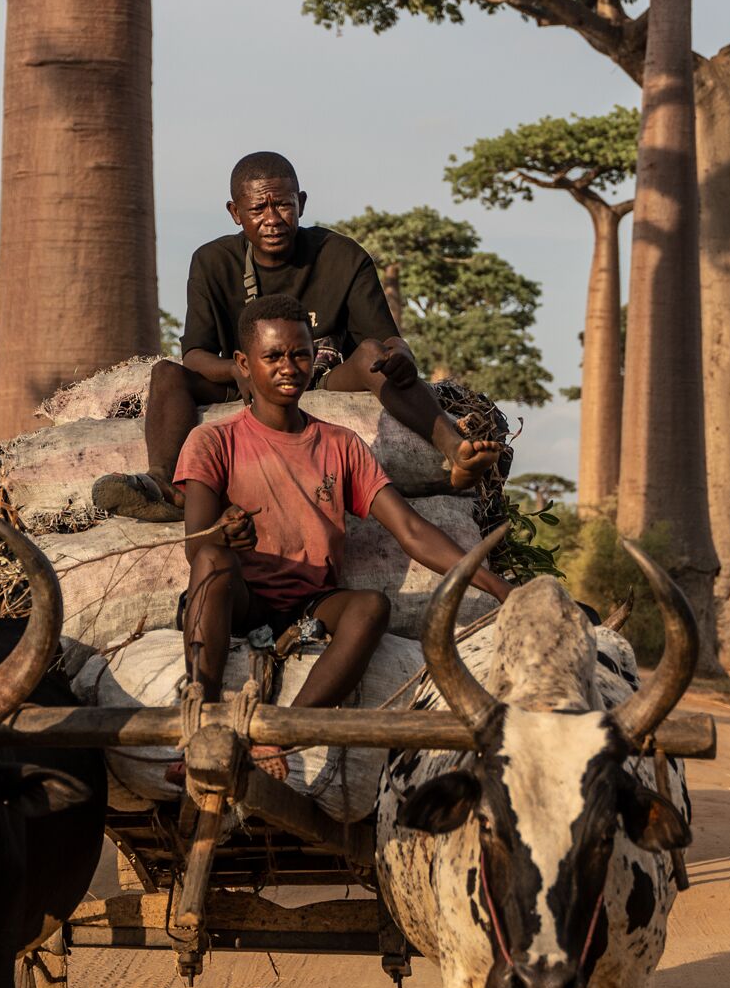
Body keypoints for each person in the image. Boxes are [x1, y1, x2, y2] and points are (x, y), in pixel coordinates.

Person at [173, 296, 514, 763]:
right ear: (243, 364)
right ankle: (199, 723)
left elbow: (411, 530)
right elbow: (197, 543)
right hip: (242, 600)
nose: (288, 367)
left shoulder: (340, 444)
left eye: (299, 354)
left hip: (309, 606)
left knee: (370, 607)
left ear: (315, 357)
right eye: (272, 357)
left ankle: (283, 734)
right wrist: (223, 534)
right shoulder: (214, 440)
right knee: (212, 563)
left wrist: (498, 587)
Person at [91, 150, 502, 523]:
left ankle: (456, 451)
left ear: (301, 203)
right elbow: (195, 354)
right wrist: (240, 375)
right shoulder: (213, 261)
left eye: (283, 205)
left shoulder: (341, 255)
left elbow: (384, 341)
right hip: (245, 380)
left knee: (373, 356)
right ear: (236, 213)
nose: (272, 218)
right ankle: (164, 483)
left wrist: (401, 357)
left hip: (321, 374)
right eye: (258, 208)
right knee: (167, 373)